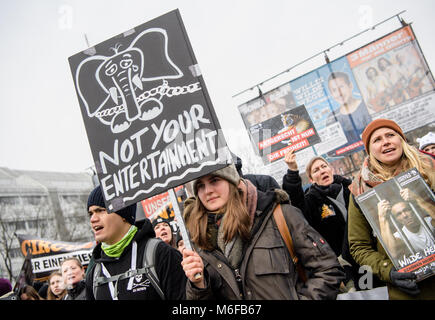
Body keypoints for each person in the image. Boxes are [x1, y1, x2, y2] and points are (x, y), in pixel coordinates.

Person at [181, 164, 344, 300]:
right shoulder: (199, 241)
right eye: (200, 185)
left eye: (214, 180)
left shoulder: (281, 215)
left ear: (232, 181)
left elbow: (328, 269)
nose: (207, 190)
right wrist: (199, 285)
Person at [348, 118, 435, 299]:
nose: (385, 141)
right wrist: (388, 271)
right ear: (370, 150)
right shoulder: (359, 190)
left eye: (390, 135)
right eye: (377, 139)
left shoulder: (430, 166)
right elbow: (358, 246)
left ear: (401, 140)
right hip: (411, 291)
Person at [85, 185, 186, 300]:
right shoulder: (95, 273)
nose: (93, 219)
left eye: (100, 211)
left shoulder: (160, 254)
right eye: (91, 213)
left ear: (122, 214)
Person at [282, 149, 360, 291]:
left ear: (331, 169)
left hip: (367, 255)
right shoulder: (311, 201)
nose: (322, 170)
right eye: (316, 170)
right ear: (311, 179)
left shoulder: (352, 188)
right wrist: (292, 171)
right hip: (343, 267)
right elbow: (295, 199)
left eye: (324, 166)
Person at [326, 71, 372, 146]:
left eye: (341, 87)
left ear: (350, 86)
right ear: (331, 94)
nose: (339, 93)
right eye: (334, 90)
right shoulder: (332, 118)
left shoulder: (367, 105)